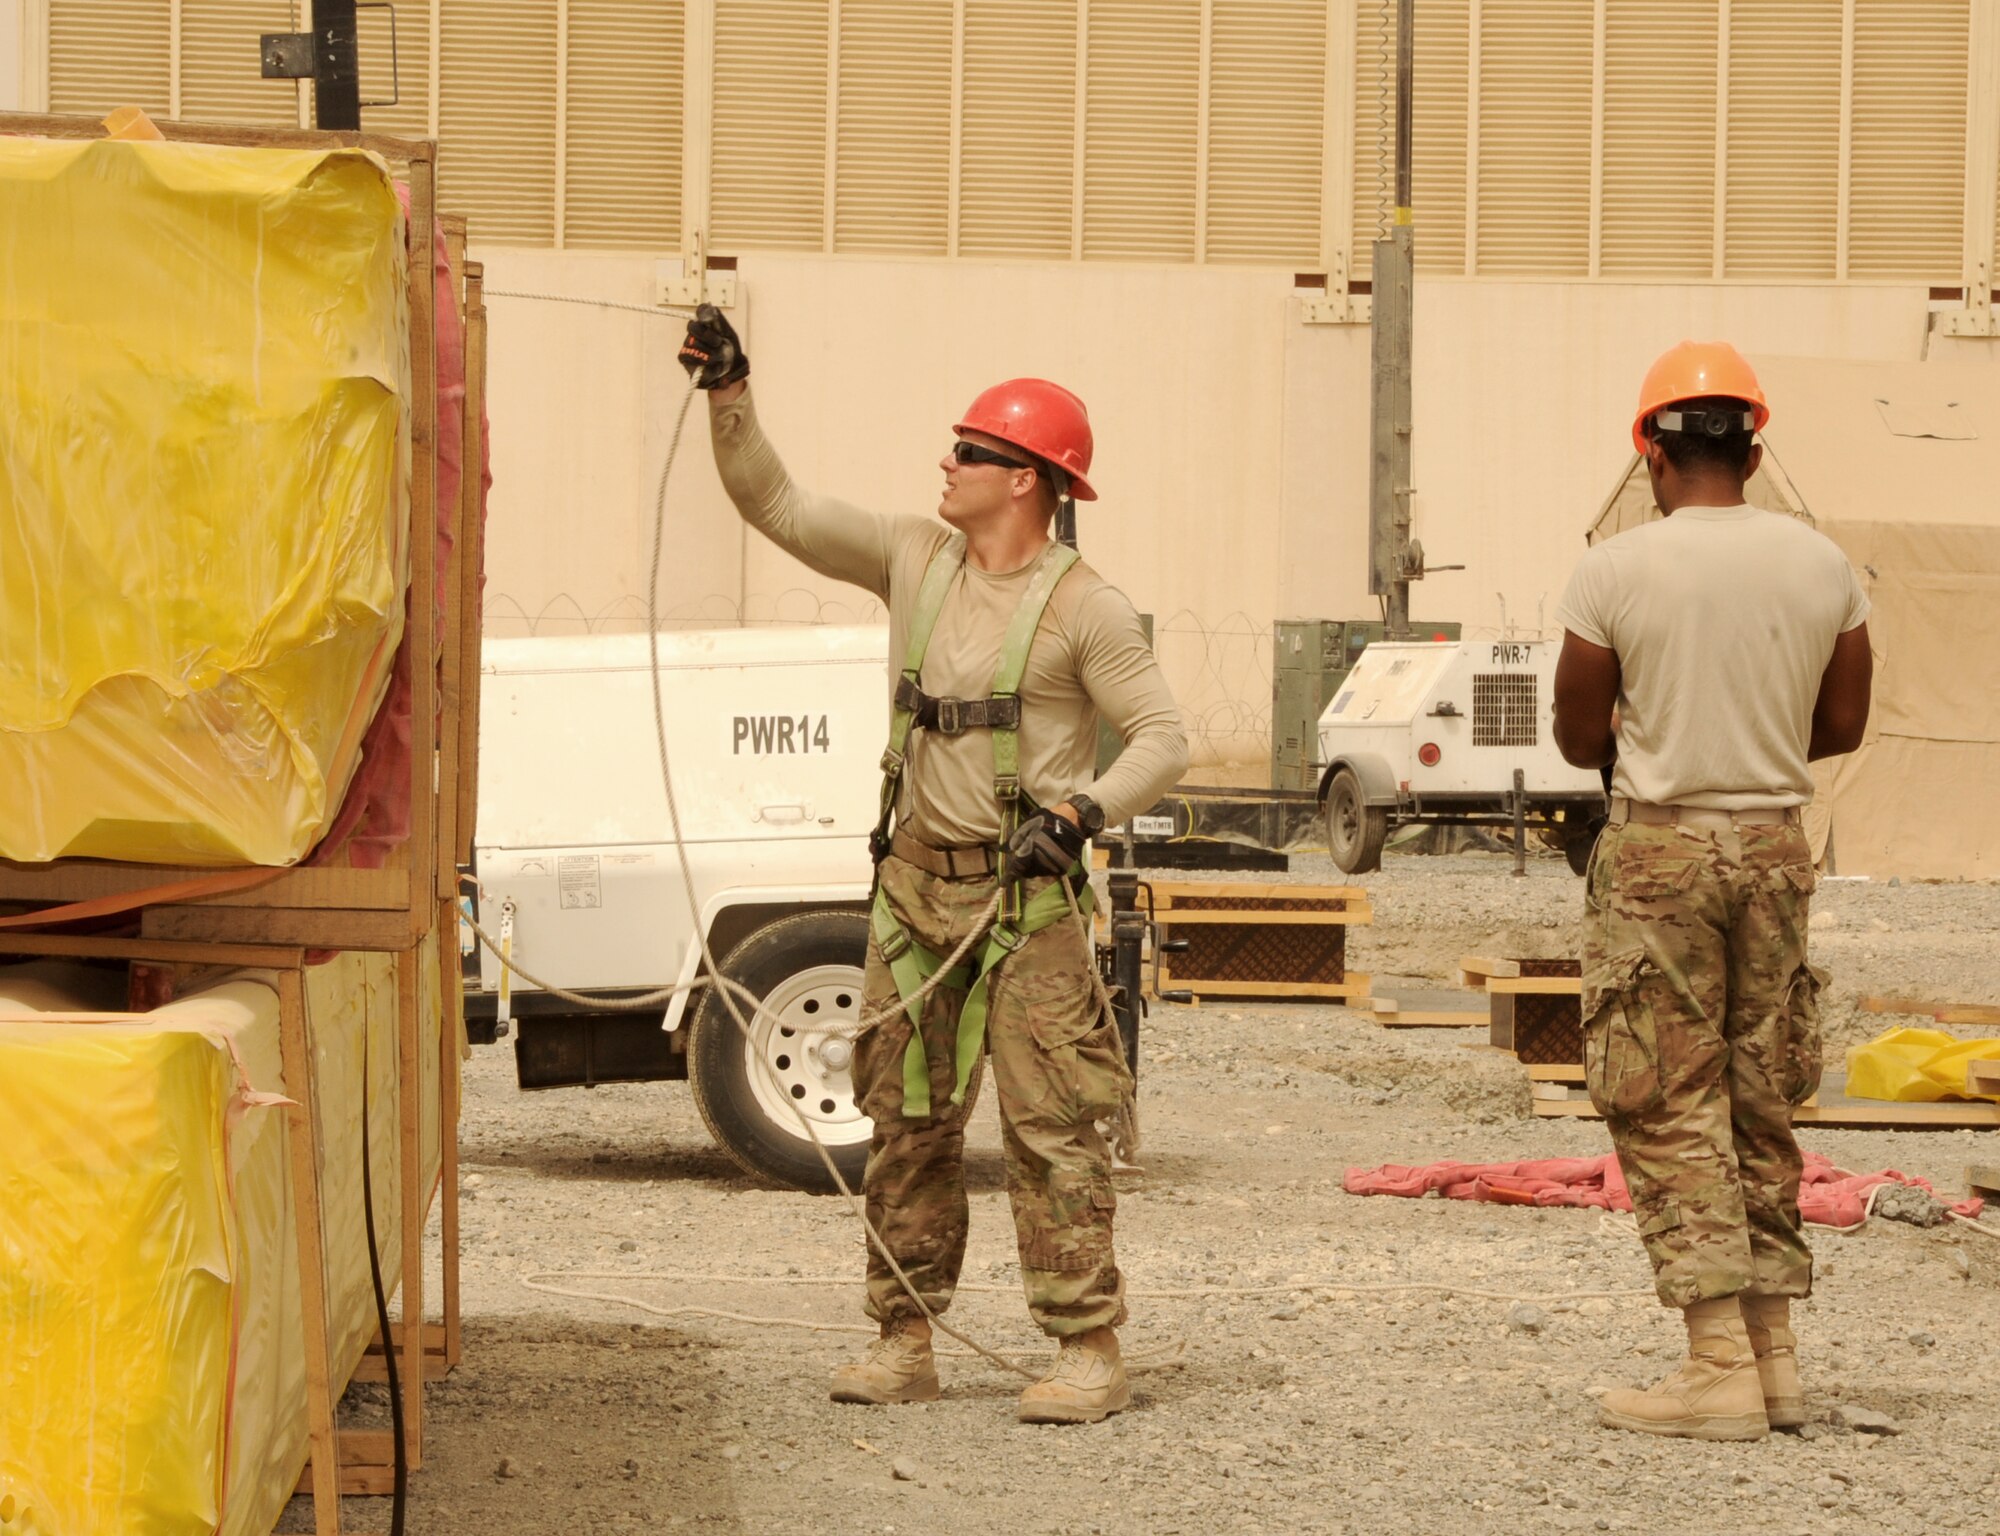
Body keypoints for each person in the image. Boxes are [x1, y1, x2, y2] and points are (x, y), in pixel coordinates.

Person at [678, 307, 1188, 1423]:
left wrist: (1080, 809)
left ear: (1026, 480)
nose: (945, 465)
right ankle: (904, 1337)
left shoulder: (1085, 610)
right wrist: (730, 393)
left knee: (1053, 1122)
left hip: (1024, 900)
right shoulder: (914, 556)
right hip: (914, 889)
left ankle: (1087, 1350)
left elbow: (1161, 739)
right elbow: (773, 501)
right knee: (902, 1117)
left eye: (969, 451)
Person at [1552, 341, 1872, 1441]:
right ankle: (1775, 1360)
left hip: (1661, 851)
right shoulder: (1820, 563)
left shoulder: (1615, 570)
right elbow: (1840, 725)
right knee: (1756, 1089)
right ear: (1753, 439)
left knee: (1661, 1092)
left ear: (1649, 447)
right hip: (1775, 848)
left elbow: (1575, 730)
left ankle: (1715, 1366)